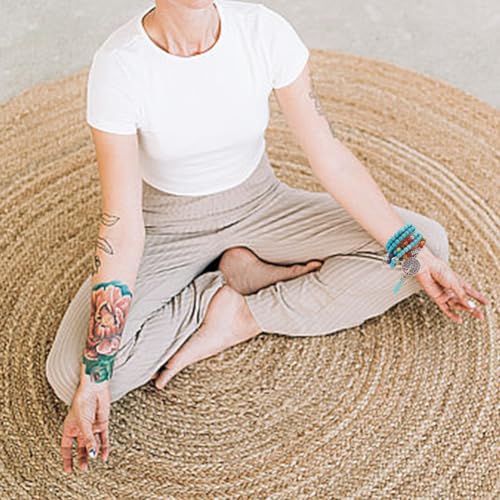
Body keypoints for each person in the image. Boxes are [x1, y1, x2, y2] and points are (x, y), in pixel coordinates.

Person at [45, 0, 489, 474]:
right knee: (72, 375)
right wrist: (96, 377)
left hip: (262, 204)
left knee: (425, 248)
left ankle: (243, 313)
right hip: (165, 225)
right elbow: (122, 221)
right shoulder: (120, 64)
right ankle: (215, 288)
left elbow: (330, 158)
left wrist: (414, 255)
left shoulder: (262, 31)